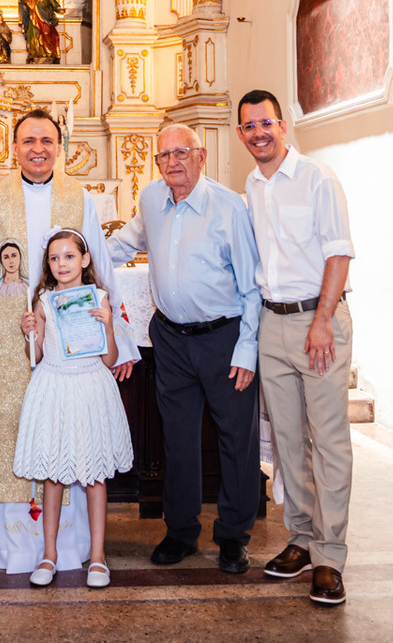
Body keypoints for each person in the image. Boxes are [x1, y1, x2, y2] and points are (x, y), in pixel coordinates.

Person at [0, 108, 139, 575]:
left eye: (46, 140)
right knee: (13, 433)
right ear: (13, 148)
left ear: (59, 147)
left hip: (75, 364)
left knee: (73, 441)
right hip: (11, 350)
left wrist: (117, 340)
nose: (37, 149)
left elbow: (101, 268)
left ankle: (77, 546)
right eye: (28, 141)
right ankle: (19, 547)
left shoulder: (77, 197)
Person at [107, 123, 263, 575]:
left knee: (236, 440)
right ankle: (180, 532)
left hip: (223, 338)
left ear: (202, 155)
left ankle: (234, 536)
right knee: (177, 439)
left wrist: (246, 349)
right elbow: (126, 242)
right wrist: (75, 251)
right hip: (171, 338)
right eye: (164, 155)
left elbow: (252, 285)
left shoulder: (230, 207)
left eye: (182, 153)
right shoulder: (152, 198)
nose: (172, 162)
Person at [237, 89, 356, 606]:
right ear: (241, 134)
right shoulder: (253, 183)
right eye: (248, 127)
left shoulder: (317, 178)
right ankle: (302, 539)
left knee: (327, 440)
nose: (258, 133)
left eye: (266, 123)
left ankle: (330, 556)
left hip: (317, 320)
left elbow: (338, 252)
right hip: (273, 321)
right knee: (288, 442)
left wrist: (324, 320)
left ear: (282, 125)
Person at [14, 229, 133, 589]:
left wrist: (108, 326)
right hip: (54, 386)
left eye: (68, 256)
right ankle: (48, 553)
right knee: (53, 474)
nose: (61, 264)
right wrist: (29, 332)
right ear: (48, 265)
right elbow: (34, 358)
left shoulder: (99, 298)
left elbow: (109, 358)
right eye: (54, 258)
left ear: (84, 260)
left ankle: (97, 556)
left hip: (90, 385)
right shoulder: (45, 301)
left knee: (95, 475)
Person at [6, 0, 61, 64]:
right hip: (34, 20)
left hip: (46, 19)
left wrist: (60, 10)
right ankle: (37, 54)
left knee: (46, 35)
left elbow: (55, 5)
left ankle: (49, 53)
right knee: (35, 36)